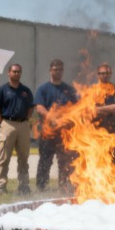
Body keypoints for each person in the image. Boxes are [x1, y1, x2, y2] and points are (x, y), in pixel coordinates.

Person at [34, 59, 78, 192]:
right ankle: (41, 187)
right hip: (48, 131)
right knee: (45, 160)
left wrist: (65, 119)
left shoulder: (69, 90)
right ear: (50, 70)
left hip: (65, 132)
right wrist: (52, 118)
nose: (58, 72)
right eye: (55, 69)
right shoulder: (43, 89)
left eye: (60, 69)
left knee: (65, 160)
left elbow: (76, 108)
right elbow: (39, 108)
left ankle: (64, 186)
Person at [0, 63, 34, 194]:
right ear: (8, 73)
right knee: (4, 157)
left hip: (23, 125)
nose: (17, 74)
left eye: (19, 72)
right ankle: (1, 186)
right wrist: (2, 122)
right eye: (14, 71)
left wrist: (25, 120)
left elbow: (31, 107)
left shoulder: (26, 91)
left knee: (23, 158)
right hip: (8, 124)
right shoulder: (2, 90)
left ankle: (24, 186)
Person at [94, 63, 115, 166]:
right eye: (102, 73)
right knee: (97, 161)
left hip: (113, 130)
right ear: (98, 74)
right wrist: (110, 109)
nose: (105, 75)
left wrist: (100, 109)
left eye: (107, 73)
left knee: (114, 160)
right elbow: (90, 110)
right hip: (97, 132)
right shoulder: (92, 91)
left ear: (110, 74)